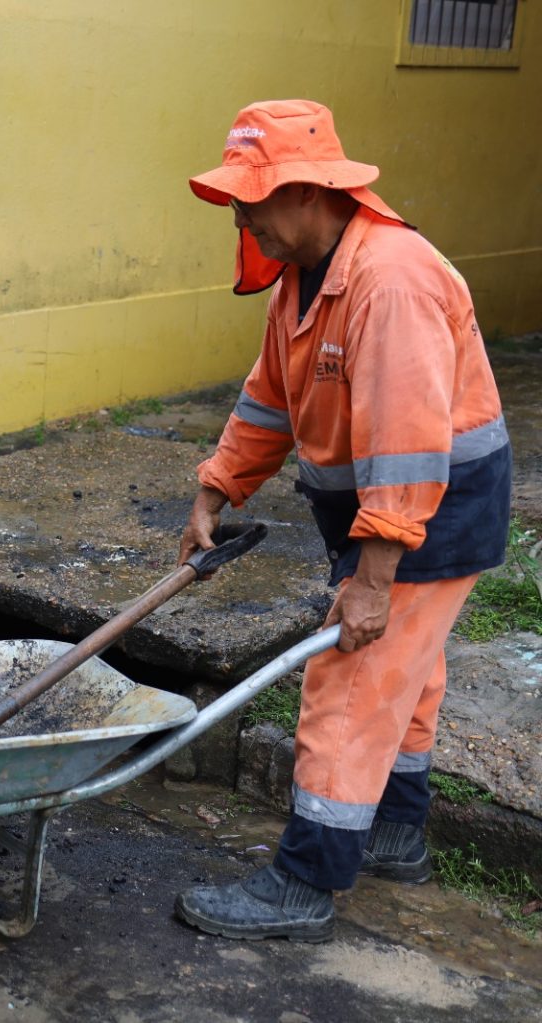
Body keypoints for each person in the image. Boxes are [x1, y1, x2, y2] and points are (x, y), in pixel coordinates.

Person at [173, 99, 511, 941]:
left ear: (311, 191)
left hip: (429, 514)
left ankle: (306, 877)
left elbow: (405, 445)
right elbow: (269, 397)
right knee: (408, 679)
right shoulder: (303, 277)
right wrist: (217, 486)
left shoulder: (390, 280)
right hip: (392, 517)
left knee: (351, 684)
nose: (244, 216)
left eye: (255, 199)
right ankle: (394, 833)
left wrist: (372, 578)